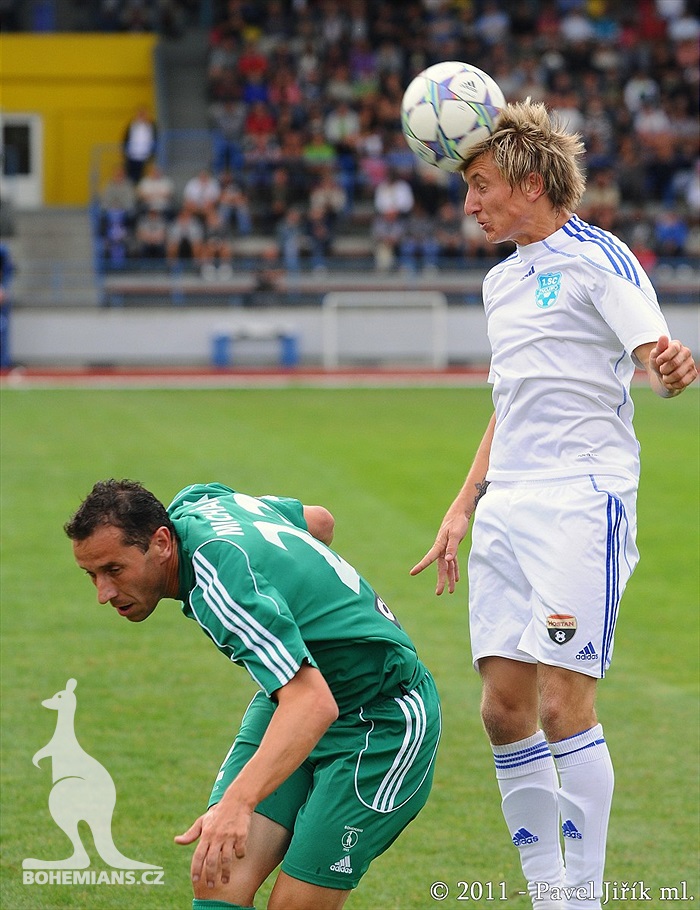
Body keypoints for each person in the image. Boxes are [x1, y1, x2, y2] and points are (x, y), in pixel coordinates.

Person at [410, 99, 697, 910]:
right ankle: (547, 895)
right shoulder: (500, 281)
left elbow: (655, 351)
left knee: (566, 707)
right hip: (508, 509)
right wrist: (464, 505)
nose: (470, 203)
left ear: (530, 183)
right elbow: (512, 402)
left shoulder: (600, 258)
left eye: (479, 184)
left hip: (582, 502)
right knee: (505, 712)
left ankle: (585, 899)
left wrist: (669, 364)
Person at [65, 479, 441, 910]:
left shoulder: (217, 581)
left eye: (114, 570)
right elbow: (320, 521)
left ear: (162, 542)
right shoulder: (199, 502)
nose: (103, 593)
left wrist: (239, 802)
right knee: (217, 878)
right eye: (91, 574)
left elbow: (315, 704)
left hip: (382, 720)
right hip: (295, 695)